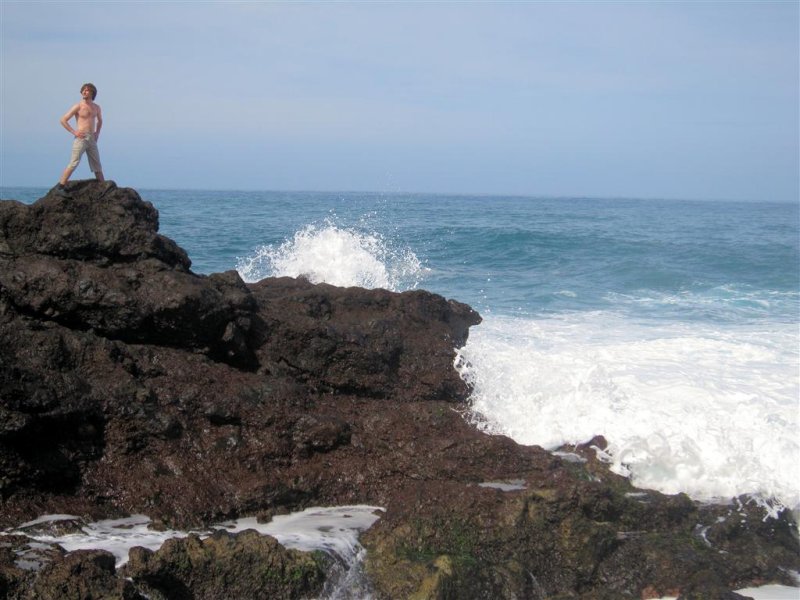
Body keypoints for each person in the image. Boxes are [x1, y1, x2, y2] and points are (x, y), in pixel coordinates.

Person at [54, 83, 104, 196]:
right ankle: (61, 187)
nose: (84, 92)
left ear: (92, 93)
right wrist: (74, 132)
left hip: (91, 138)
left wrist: (97, 134)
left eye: (87, 90)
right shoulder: (78, 106)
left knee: (97, 164)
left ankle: (103, 187)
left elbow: (100, 121)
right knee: (74, 162)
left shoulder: (96, 107)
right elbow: (63, 120)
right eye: (83, 90)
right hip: (81, 137)